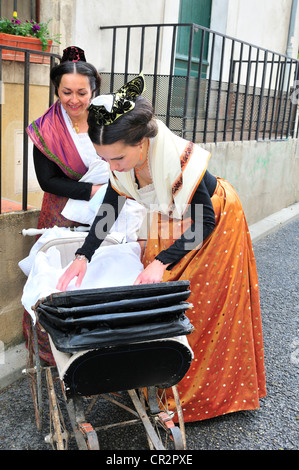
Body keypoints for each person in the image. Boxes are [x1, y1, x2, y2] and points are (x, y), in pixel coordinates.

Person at [57, 74, 266, 422]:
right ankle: (159, 387)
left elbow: (205, 222)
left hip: (213, 220)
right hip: (172, 220)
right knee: (161, 306)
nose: (112, 167)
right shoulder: (121, 161)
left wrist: (161, 262)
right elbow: (110, 208)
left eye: (118, 159)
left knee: (197, 308)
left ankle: (195, 401)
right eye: (104, 159)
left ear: (142, 144)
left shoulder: (178, 159)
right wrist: (83, 256)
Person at [23, 46, 109, 365]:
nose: (74, 100)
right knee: (58, 282)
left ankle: (99, 348)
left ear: (94, 89)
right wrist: (96, 189)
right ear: (57, 90)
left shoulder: (108, 119)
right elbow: (48, 181)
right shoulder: (46, 129)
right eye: (66, 92)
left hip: (106, 212)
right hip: (60, 212)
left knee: (99, 276)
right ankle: (53, 354)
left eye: (82, 92)